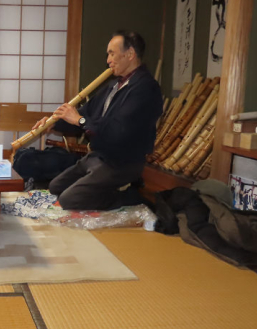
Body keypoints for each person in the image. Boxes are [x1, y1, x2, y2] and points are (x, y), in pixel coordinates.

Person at [32, 30, 163, 210]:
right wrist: (54, 123)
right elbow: (86, 112)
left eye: (112, 54)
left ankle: (130, 198)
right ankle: (103, 189)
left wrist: (80, 121)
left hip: (122, 162)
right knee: (55, 187)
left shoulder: (145, 89)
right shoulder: (114, 85)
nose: (108, 60)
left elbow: (118, 130)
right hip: (99, 156)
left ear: (130, 54)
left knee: (69, 200)